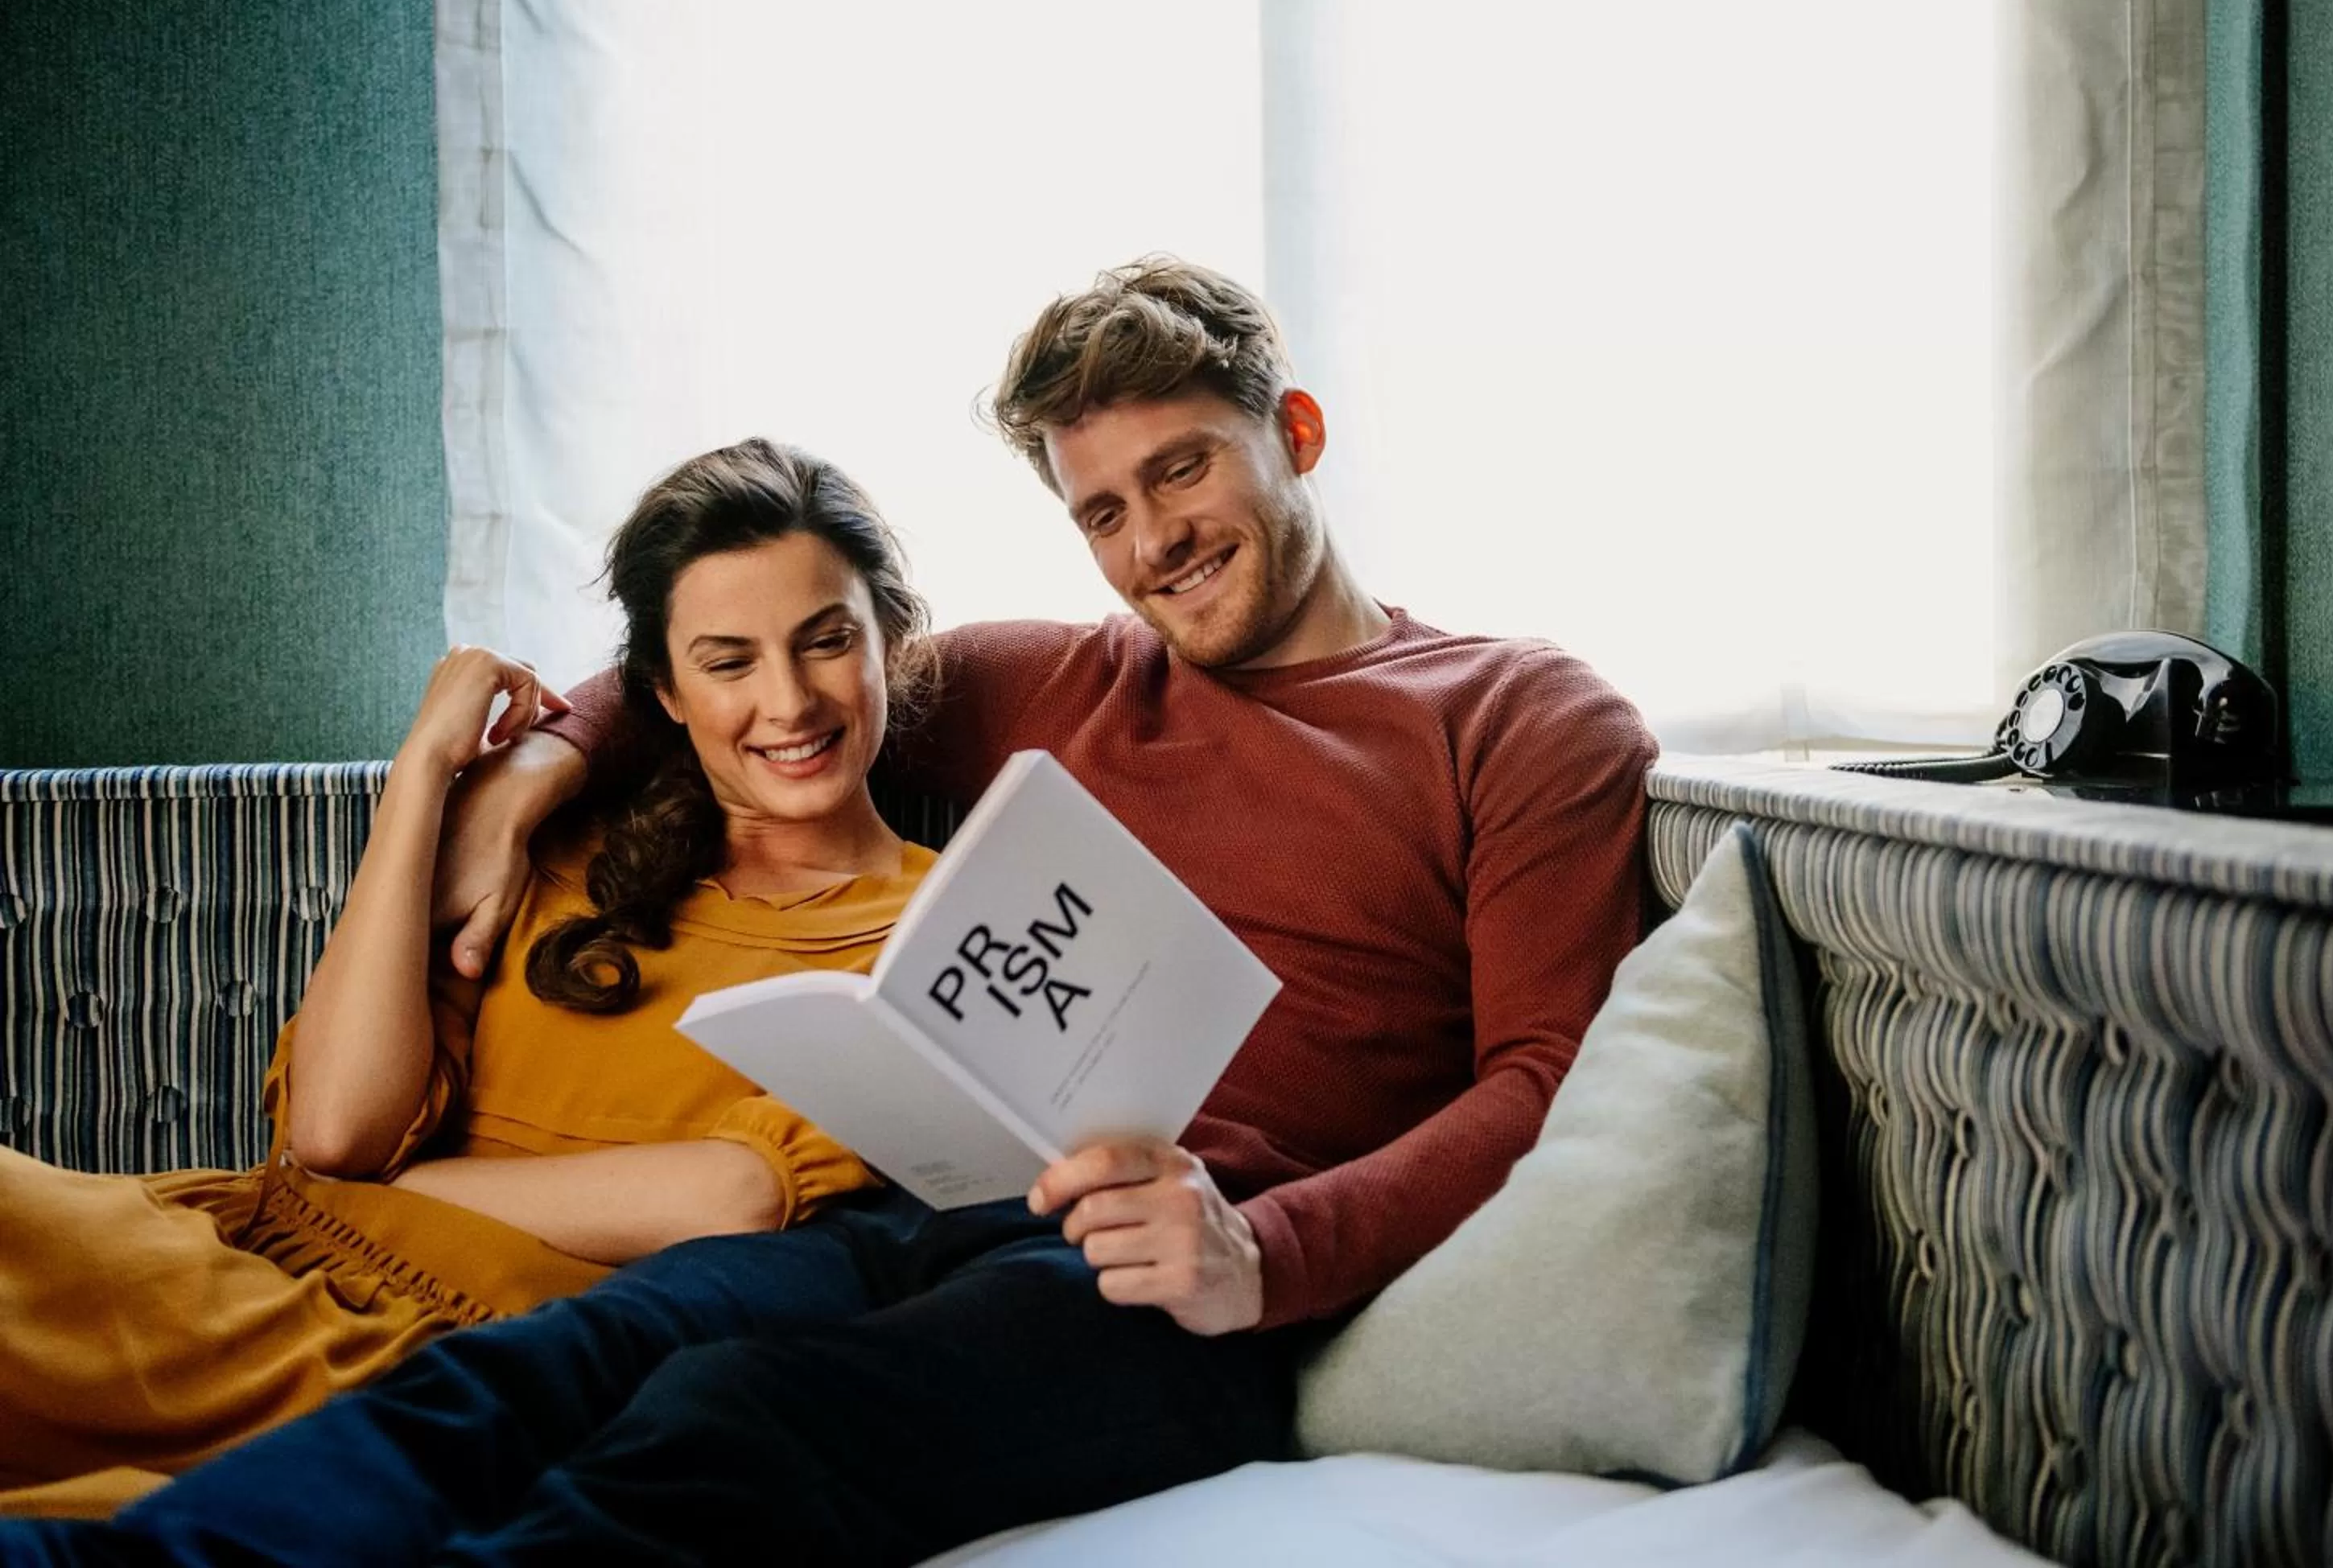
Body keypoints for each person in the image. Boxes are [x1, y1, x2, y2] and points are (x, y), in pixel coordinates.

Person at [0, 257, 1658, 1566]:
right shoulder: (1060, 679)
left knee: (734, 1422)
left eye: (1184, 472)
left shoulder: (1515, 715)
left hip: (1184, 1276)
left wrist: (1262, 1254)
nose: (1154, 542)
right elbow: (731, 662)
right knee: (556, 1364)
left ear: (1293, 432)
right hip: (940, 1211)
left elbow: (1546, 1079)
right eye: (1101, 511)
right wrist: (526, 776)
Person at [0, 440, 935, 1521]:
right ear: (666, 694)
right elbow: (335, 1132)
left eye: (827, 641)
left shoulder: (937, 930)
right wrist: (424, 779)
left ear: (889, 640)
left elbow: (736, 1197)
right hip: (223, 1271)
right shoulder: (546, 849)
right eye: (729, 663)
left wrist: (399, 1192)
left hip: (449, 1364)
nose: (790, 701)